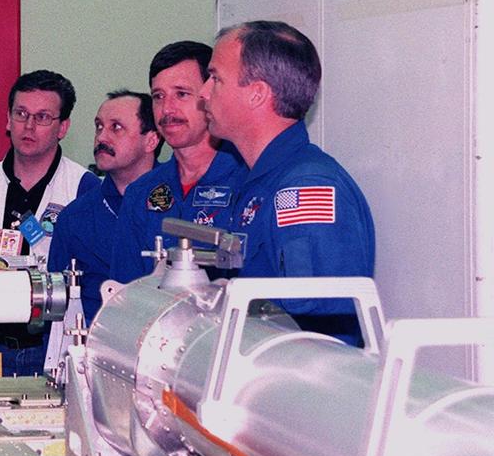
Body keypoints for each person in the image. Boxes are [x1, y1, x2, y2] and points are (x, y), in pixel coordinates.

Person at [200, 20, 375, 339]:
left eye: (215, 79)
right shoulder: (254, 180)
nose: (203, 92)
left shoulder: (306, 187)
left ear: (257, 94)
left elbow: (321, 329)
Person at [0, 70, 98, 375]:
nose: (29, 126)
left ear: (63, 127)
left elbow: (94, 286)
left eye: (42, 117)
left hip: (57, 350)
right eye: (21, 114)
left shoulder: (84, 189)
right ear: (8, 120)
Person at [111, 41, 246, 282]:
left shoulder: (247, 182)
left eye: (181, 94)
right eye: (158, 96)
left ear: (210, 94)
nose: (167, 109)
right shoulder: (140, 193)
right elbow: (126, 291)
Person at [47, 91, 161, 327]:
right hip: (94, 342)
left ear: (151, 140)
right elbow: (57, 312)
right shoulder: (75, 218)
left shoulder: (179, 204)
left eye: (116, 127)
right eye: (99, 126)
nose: (101, 137)